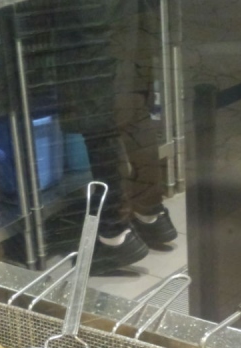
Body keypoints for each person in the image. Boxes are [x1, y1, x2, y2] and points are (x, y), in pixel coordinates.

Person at [18, 0, 178, 273]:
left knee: (100, 125)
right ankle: (151, 213)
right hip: (127, 18)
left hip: (90, 25)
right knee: (133, 113)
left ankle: (114, 235)